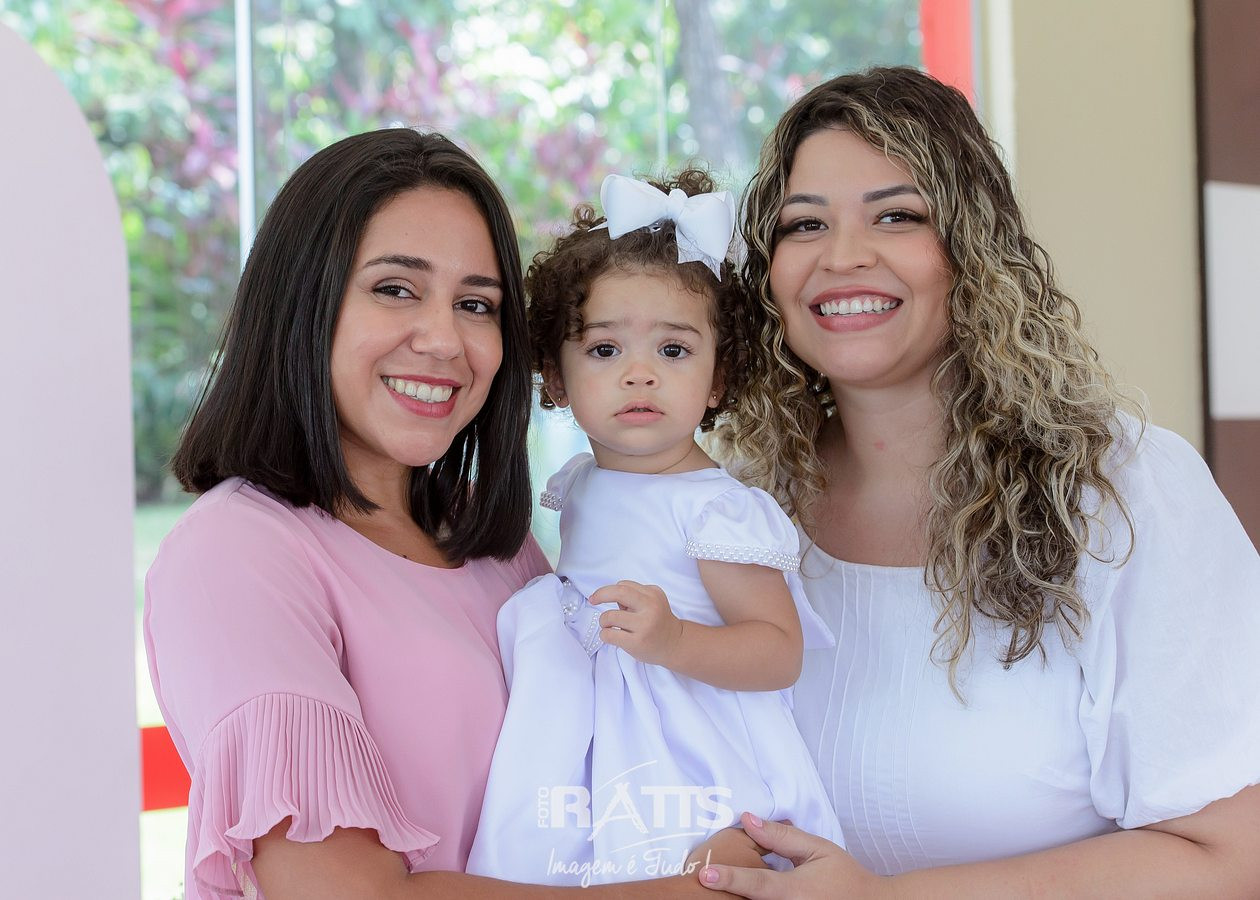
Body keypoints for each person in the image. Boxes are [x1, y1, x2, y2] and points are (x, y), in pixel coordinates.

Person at [696, 67, 1260, 897]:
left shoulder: (1121, 493)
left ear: (973, 251)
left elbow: (1233, 855)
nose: (842, 256)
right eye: (804, 224)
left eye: (897, 215)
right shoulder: (735, 508)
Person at [144, 129, 740, 900]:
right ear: (302, 302)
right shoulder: (237, 554)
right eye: (395, 289)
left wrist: (721, 837)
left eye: (475, 304)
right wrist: (699, 892)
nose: (443, 340)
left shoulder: (488, 542)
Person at [466, 170, 845, 886]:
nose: (639, 374)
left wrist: (674, 641)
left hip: (691, 744)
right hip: (588, 729)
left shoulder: (714, 508)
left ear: (717, 379)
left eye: (673, 351)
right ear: (555, 379)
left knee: (699, 872)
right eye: (605, 350)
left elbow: (778, 652)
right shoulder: (584, 483)